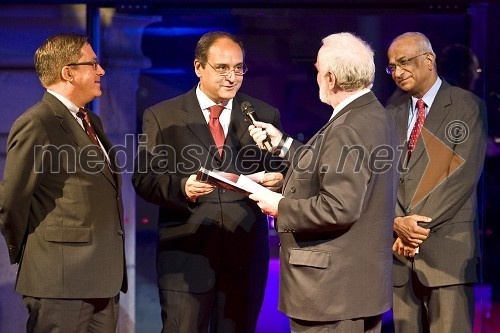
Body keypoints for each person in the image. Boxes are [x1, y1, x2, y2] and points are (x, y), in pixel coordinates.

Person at [132, 31, 284, 333]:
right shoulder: (163, 115)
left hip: (244, 257)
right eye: (222, 68)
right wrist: (181, 188)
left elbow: (281, 173)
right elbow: (144, 178)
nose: (232, 77)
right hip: (186, 256)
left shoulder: (263, 114)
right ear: (199, 67)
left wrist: (278, 181)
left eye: (239, 68)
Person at [247, 32, 398, 333]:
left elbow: (339, 207)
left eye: (317, 70)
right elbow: (339, 167)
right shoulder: (374, 114)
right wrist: (285, 146)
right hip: (357, 290)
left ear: (330, 78)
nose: (315, 76)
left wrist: (280, 206)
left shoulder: (348, 127)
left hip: (330, 295)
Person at [0, 33, 127, 332]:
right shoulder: (38, 121)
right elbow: (12, 200)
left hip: (102, 282)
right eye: (93, 64)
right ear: (68, 72)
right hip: (59, 280)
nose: (101, 71)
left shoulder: (90, 121)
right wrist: (33, 255)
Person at [385, 32, 487, 333]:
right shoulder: (390, 114)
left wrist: (412, 228)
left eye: (404, 62)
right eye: (391, 67)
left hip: (448, 255)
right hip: (400, 256)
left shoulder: (466, 106)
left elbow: (461, 177)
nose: (398, 72)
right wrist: (397, 221)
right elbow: (382, 177)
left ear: (429, 60)